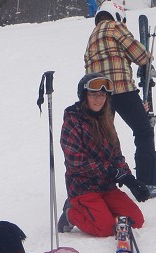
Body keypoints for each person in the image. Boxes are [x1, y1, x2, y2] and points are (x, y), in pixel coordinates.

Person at [84, 1, 156, 198]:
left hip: (99, 94)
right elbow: (139, 54)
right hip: (122, 89)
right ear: (117, 15)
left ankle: (100, 184)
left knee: (103, 139)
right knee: (143, 132)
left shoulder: (92, 37)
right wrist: (146, 59)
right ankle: (149, 181)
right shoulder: (115, 27)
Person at [58, 73, 148, 237]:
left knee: (136, 220)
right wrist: (110, 171)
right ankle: (71, 213)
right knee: (105, 229)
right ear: (85, 96)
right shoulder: (73, 120)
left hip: (106, 187)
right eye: (93, 95)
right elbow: (75, 161)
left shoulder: (106, 119)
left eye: (102, 95)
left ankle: (101, 212)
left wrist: (129, 180)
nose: (98, 100)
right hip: (82, 187)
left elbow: (116, 156)